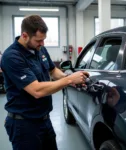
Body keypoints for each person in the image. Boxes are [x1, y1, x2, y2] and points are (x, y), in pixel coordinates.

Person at [1, 15, 89, 150]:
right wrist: (70, 79)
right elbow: (36, 90)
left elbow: (53, 71)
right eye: (39, 40)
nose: (42, 44)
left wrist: (70, 78)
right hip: (24, 125)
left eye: (43, 40)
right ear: (24, 35)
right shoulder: (12, 57)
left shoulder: (40, 49)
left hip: (44, 119)